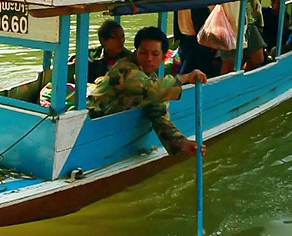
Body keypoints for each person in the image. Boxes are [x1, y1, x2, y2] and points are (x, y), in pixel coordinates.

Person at [87, 26, 207, 157]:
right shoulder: (126, 69)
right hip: (89, 122)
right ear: (136, 52)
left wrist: (182, 142)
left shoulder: (152, 79)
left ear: (163, 58)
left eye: (155, 54)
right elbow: (151, 90)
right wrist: (184, 77)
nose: (149, 58)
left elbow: (158, 113)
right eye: (143, 52)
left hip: (112, 128)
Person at [67, 19, 132, 83]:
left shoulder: (130, 58)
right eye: (116, 37)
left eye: (122, 36)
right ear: (103, 40)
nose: (121, 40)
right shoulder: (92, 55)